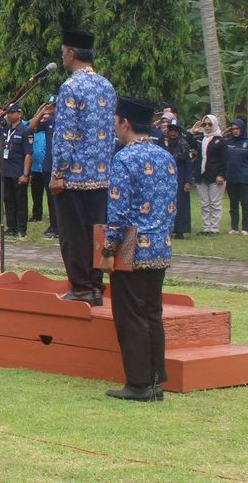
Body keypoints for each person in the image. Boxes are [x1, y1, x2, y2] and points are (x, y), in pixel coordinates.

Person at [102, 97, 175, 402]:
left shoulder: (124, 159)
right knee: (152, 313)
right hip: (160, 246)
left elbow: (118, 211)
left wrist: (108, 248)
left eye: (115, 122)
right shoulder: (166, 157)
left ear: (126, 123)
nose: (114, 128)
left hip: (131, 247)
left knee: (130, 315)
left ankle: (138, 383)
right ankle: (155, 381)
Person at [49, 28, 117, 307]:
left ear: (71, 54)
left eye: (63, 52)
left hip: (74, 176)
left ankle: (80, 288)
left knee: (73, 234)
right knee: (96, 233)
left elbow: (66, 134)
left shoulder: (70, 87)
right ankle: (96, 287)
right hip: (101, 174)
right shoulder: (107, 86)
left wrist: (58, 173)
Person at [0, 104, 33, 238]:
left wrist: (25, 174)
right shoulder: (6, 129)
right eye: (8, 112)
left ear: (19, 114)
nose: (9, 115)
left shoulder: (25, 131)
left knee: (20, 201)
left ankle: (21, 228)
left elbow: (28, 154)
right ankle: (11, 226)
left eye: (12, 112)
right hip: (6, 171)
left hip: (18, 171)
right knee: (8, 200)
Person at [191, 114, 227, 236]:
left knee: (215, 203)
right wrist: (192, 132)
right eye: (204, 124)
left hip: (215, 176)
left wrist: (221, 175)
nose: (207, 127)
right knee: (204, 203)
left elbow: (224, 159)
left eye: (209, 124)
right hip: (201, 175)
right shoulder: (201, 139)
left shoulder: (220, 140)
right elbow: (188, 143)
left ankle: (214, 228)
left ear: (215, 124)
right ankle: (206, 228)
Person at [159, 120, 195, 239]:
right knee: (166, 202)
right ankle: (167, 228)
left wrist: (188, 181)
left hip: (180, 176)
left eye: (175, 130)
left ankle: (180, 230)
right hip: (166, 176)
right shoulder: (164, 142)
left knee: (181, 203)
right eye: (171, 130)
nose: (173, 133)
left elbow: (188, 164)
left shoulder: (184, 144)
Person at [223, 119, 248, 235]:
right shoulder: (228, 142)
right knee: (233, 205)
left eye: (237, 128)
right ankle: (234, 227)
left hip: (245, 179)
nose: (235, 131)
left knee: (245, 204)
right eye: (233, 129)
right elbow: (217, 143)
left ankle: (245, 228)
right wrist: (223, 133)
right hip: (231, 178)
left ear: (242, 129)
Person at [28, 101, 56, 237]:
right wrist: (41, 112)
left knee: (59, 200)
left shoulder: (66, 121)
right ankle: (54, 226)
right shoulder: (49, 122)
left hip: (61, 166)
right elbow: (31, 127)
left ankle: (60, 227)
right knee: (51, 199)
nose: (51, 109)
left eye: (53, 106)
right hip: (48, 166)